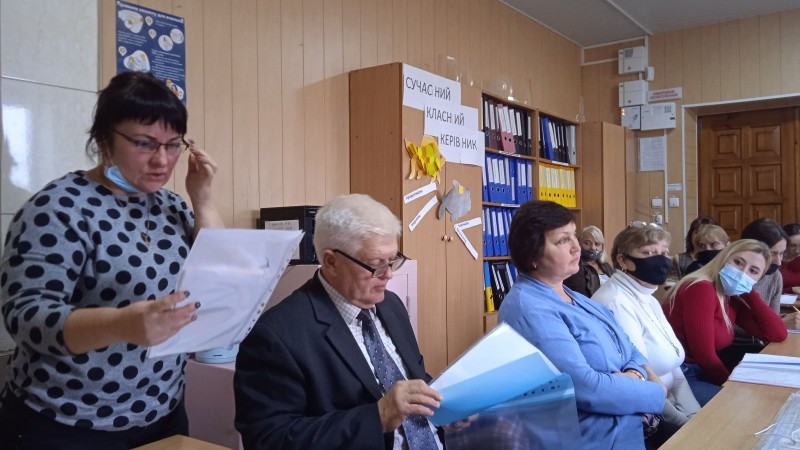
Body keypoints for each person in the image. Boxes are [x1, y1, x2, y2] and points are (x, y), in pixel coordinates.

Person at [0, 71, 223, 449]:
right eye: (144, 143)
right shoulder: (58, 207)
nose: (162, 160)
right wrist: (122, 323)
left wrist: (201, 197)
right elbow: (26, 318)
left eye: (173, 145)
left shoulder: (170, 206)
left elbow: (216, 269)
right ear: (104, 138)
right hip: (66, 422)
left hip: (162, 410)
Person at [234, 194, 443, 450]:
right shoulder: (276, 336)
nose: (388, 274)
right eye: (376, 264)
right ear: (331, 262)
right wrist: (378, 416)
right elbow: (269, 441)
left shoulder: (391, 305)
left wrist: (448, 410)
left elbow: (415, 380)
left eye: (393, 259)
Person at [498, 201, 666, 450]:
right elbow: (587, 388)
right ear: (531, 255)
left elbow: (629, 348)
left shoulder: (574, 296)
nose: (577, 247)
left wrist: (635, 375)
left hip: (627, 429)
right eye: (562, 240)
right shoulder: (528, 307)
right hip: (594, 440)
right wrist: (655, 391)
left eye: (574, 235)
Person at [591, 222, 700, 444]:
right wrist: (686, 424)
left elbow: (674, 366)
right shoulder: (615, 302)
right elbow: (641, 378)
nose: (660, 259)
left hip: (671, 400)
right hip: (646, 413)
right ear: (623, 260)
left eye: (664, 252)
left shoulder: (648, 297)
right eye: (648, 253)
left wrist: (694, 414)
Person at [663, 240, 788, 406]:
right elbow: (704, 355)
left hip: (701, 372)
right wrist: (730, 385)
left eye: (753, 271)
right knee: (747, 405)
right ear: (724, 258)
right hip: (682, 376)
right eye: (738, 262)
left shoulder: (728, 296)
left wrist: (748, 291)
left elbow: (777, 334)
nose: (742, 273)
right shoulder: (701, 288)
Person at [564, 225, 615, 297]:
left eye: (597, 244)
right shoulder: (573, 267)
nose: (593, 247)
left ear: (602, 247)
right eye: (587, 243)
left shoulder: (606, 266)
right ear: (578, 243)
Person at [670, 215, 717, 281]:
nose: (700, 236)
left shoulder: (720, 258)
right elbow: (671, 285)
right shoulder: (678, 259)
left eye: (705, 232)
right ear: (691, 235)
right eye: (697, 232)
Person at [780, 223, 800, 294]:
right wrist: (791, 290)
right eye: (792, 245)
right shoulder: (773, 260)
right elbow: (765, 291)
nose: (797, 250)